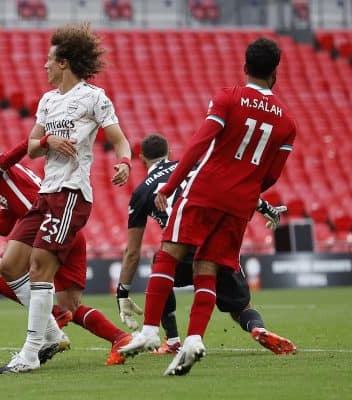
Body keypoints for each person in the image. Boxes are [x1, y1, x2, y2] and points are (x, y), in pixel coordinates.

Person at [118, 38, 297, 376]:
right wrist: (245, 190)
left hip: (206, 191)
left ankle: (150, 331)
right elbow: (271, 175)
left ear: (245, 68)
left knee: (167, 254)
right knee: (208, 267)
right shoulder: (287, 124)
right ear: (275, 73)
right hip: (240, 205)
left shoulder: (228, 97)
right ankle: (194, 339)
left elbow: (200, 143)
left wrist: (169, 187)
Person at [0, 22, 132, 374]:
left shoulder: (94, 97)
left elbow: (119, 139)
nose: (44, 65)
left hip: (71, 194)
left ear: (63, 63)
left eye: (48, 60)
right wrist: (48, 143)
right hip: (45, 193)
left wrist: (124, 162)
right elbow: (30, 147)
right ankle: (52, 334)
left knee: (39, 267)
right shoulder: (47, 101)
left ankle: (30, 352)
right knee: (9, 267)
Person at [0, 132, 131, 368]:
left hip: (49, 224)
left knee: (0, 272)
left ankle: (48, 327)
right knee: (71, 307)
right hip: (66, 228)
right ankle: (120, 338)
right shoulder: (4, 183)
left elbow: (7, 158)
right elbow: (5, 227)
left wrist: (42, 141)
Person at [117, 134, 296, 355]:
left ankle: (172, 341)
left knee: (160, 272)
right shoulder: (195, 167)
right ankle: (258, 328)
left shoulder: (142, 191)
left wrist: (122, 293)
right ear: (170, 153)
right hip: (215, 244)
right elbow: (232, 186)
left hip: (180, 249)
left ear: (141, 157)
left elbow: (132, 252)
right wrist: (266, 208)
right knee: (241, 307)